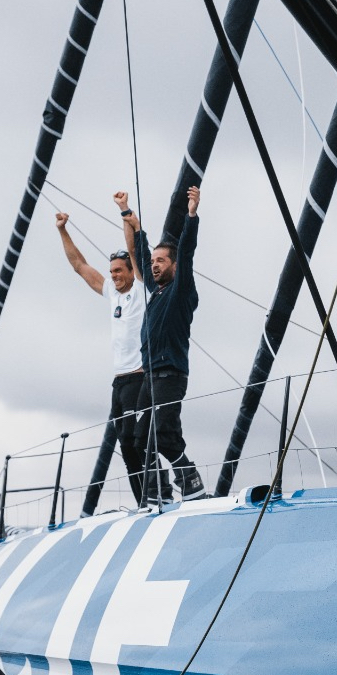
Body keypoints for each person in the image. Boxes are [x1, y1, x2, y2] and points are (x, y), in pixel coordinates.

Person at [55, 207, 150, 504]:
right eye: (112, 273)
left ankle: (160, 496)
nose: (114, 277)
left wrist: (125, 212)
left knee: (141, 442)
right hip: (119, 383)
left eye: (119, 271)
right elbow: (79, 266)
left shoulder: (142, 291)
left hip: (139, 378)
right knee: (126, 445)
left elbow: (134, 250)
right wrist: (62, 230)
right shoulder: (112, 293)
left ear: (130, 271)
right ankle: (143, 502)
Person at [123, 185, 206, 501]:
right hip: (149, 377)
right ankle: (167, 489)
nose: (155, 265)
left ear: (173, 266)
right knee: (140, 437)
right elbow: (141, 260)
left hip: (171, 374)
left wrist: (192, 216)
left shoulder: (181, 290)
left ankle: (187, 480)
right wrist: (136, 226)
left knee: (161, 432)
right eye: (154, 261)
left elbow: (186, 252)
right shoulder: (155, 291)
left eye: (161, 260)